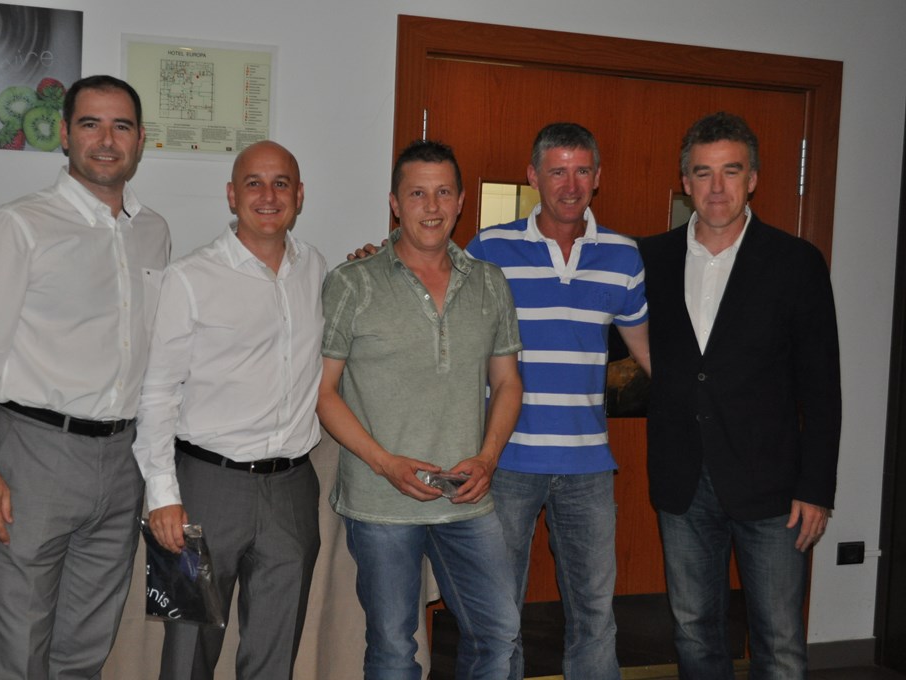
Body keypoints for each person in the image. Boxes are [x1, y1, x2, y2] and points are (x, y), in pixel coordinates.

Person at [0, 75, 171, 678]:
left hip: (121, 460)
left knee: (86, 644)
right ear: (64, 134)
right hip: (34, 457)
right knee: (16, 643)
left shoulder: (153, 231)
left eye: (121, 126)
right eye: (90, 124)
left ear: (141, 139)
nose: (106, 140)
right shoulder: (18, 226)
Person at [639, 111, 841, 679]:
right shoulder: (649, 259)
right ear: (685, 181)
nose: (717, 187)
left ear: (752, 179)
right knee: (693, 632)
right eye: (703, 173)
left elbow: (822, 386)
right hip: (682, 480)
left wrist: (816, 488)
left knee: (779, 641)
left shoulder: (796, 262)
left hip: (774, 487)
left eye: (731, 171)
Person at [317, 140, 523, 680]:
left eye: (443, 193)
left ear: (460, 202)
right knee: (392, 648)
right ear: (394, 203)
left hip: (466, 496)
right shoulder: (352, 282)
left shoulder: (490, 282)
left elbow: (507, 383)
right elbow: (323, 392)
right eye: (416, 194)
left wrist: (488, 458)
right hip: (381, 500)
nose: (431, 207)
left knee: (499, 632)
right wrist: (385, 463)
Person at [133, 140, 325, 680]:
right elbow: (157, 391)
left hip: (292, 489)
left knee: (275, 654)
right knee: (187, 651)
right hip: (204, 488)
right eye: (253, 183)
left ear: (299, 195)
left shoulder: (315, 268)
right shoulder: (189, 277)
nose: (268, 195)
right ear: (231, 195)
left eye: (281, 183)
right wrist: (162, 496)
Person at [465, 122, 650, 680]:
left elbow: (647, 352)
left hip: (588, 466)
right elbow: (442, 318)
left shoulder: (623, 256)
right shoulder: (489, 249)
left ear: (598, 176)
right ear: (533, 176)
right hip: (505, 462)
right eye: (557, 171)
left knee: (595, 616)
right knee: (498, 615)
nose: (570, 185)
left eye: (582, 171)